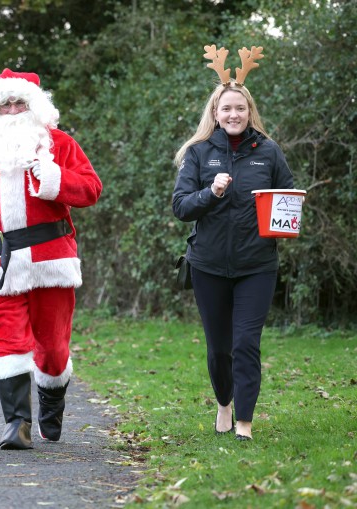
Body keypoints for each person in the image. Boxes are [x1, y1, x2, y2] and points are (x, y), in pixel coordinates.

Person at [0, 68, 103, 449]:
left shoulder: (60, 144)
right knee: (7, 341)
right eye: (5, 103)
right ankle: (16, 423)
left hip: (50, 259)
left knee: (52, 348)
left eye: (20, 102)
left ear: (35, 105)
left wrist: (54, 177)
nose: (13, 109)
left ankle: (52, 403)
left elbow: (91, 189)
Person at [172, 46, 293, 441]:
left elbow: (288, 201)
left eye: (240, 108)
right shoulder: (198, 153)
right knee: (219, 348)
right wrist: (212, 192)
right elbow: (181, 207)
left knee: (245, 343)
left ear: (249, 111)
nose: (233, 115)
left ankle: (244, 423)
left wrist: (285, 220)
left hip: (257, 265)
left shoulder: (269, 152)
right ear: (215, 113)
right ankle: (223, 403)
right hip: (207, 265)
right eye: (226, 109)